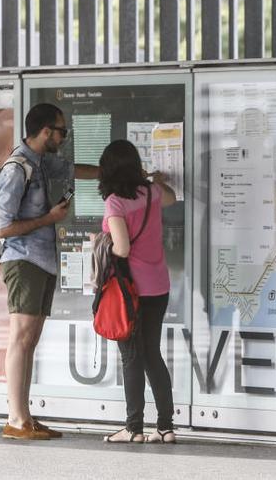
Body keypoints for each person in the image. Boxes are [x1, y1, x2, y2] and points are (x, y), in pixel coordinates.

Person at [0, 103, 99, 440]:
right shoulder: (17, 168)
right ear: (45, 132)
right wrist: (48, 219)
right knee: (20, 338)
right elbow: (2, 228)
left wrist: (118, 172)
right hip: (23, 260)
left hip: (41, 260)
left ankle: (24, 415)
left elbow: (73, 169)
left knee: (30, 341)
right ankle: (15, 419)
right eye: (61, 131)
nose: (63, 138)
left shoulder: (40, 162)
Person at [98, 140, 177, 444]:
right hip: (159, 286)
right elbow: (170, 197)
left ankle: (133, 429)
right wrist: (151, 180)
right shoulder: (152, 193)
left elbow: (122, 247)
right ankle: (166, 427)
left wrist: (102, 242)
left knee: (131, 357)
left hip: (131, 292)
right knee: (151, 355)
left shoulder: (115, 202)